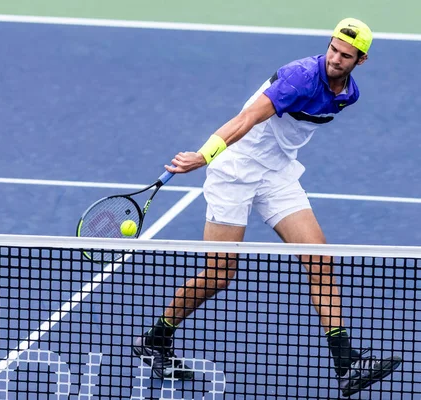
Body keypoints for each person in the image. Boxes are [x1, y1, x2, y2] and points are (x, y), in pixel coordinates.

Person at [133, 18, 402, 397]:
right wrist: (204, 155)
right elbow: (246, 119)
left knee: (320, 259)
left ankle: (347, 364)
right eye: (333, 49)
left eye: (346, 56)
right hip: (235, 170)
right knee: (219, 274)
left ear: (361, 61)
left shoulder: (348, 94)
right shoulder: (300, 77)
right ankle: (155, 339)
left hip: (277, 175)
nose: (335, 59)